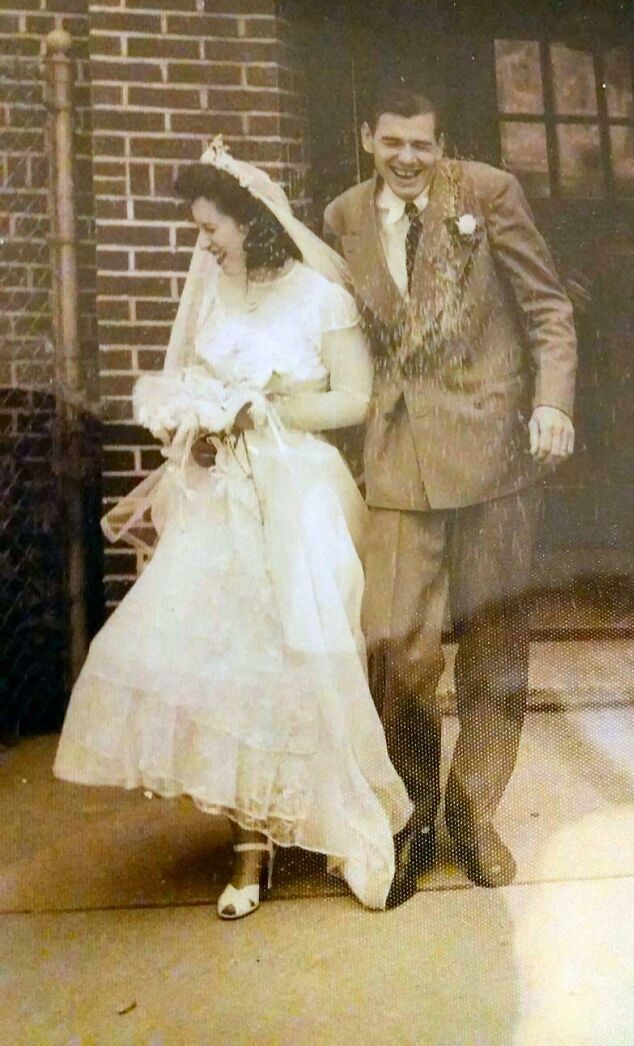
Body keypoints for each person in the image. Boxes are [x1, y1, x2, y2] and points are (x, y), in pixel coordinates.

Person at [54, 135, 412, 917]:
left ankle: (341, 824)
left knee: (306, 657)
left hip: (299, 492)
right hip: (224, 497)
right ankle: (250, 853)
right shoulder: (216, 292)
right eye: (199, 229)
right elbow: (194, 380)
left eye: (211, 227)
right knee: (235, 664)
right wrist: (200, 419)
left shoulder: (322, 297)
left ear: (251, 223)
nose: (203, 242)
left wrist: (265, 408)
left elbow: (355, 398)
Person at [324, 88, 577, 907]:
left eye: (421, 145)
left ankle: (474, 815)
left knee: (496, 639)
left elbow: (547, 306)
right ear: (367, 138)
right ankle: (412, 819)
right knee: (399, 645)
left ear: (442, 146)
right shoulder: (344, 217)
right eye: (391, 141)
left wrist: (554, 401)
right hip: (400, 452)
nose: (406, 157)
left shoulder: (489, 194)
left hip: (494, 443)